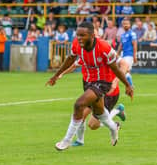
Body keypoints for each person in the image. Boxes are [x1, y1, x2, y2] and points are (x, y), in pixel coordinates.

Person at [46, 22, 133, 151]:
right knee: (100, 113)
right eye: (78, 35)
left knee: (79, 105)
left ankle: (67, 140)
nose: (79, 38)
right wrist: (56, 75)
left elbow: (115, 68)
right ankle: (114, 128)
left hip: (103, 82)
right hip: (88, 82)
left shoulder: (104, 47)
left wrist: (127, 84)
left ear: (92, 36)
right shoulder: (77, 44)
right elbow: (70, 59)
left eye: (83, 35)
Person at [58, 57, 128, 146]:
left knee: (93, 125)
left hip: (109, 94)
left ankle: (117, 113)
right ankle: (80, 141)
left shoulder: (104, 54)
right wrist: (60, 74)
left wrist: (116, 81)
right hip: (93, 91)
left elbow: (124, 64)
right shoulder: (86, 55)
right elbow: (74, 66)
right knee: (81, 115)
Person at [117, 18, 137, 87]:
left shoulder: (132, 34)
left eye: (127, 24)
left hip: (129, 55)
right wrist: (117, 54)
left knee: (124, 70)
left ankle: (129, 85)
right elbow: (121, 45)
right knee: (126, 71)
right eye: (124, 24)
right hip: (123, 55)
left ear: (130, 25)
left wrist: (134, 56)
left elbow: (134, 45)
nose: (125, 25)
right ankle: (130, 85)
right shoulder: (123, 35)